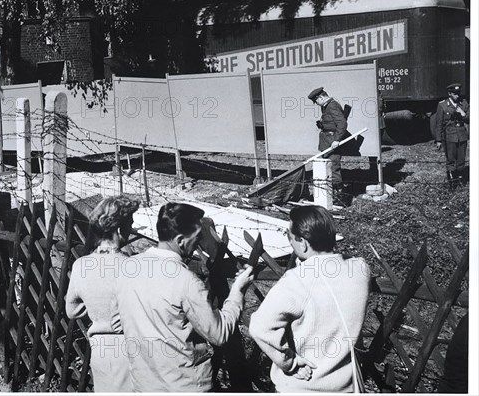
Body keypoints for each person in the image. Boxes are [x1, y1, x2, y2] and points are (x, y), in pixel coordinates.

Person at [110, 202, 254, 392]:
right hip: (184, 385)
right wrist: (237, 291)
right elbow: (218, 334)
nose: (197, 245)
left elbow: (117, 322)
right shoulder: (186, 281)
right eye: (196, 238)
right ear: (179, 240)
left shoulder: (128, 268)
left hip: (144, 383)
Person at [249, 205, 370, 393]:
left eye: (289, 237)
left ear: (303, 243)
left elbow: (259, 327)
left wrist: (290, 362)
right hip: (346, 386)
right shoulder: (360, 270)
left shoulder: (297, 281)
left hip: (305, 384)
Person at [65, 195, 140, 392]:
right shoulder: (133, 267)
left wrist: (97, 310)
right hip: (131, 349)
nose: (130, 230)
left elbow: (71, 311)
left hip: (100, 350)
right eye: (129, 224)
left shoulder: (81, 266)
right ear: (118, 229)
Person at [308, 87, 348, 192]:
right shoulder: (326, 106)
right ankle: (332, 192)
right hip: (327, 141)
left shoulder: (332, 106)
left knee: (333, 168)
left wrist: (337, 140)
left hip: (332, 142)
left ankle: (339, 194)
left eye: (316, 101)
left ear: (321, 97)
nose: (316, 104)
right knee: (328, 167)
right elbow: (331, 122)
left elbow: (342, 123)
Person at [435, 83, 469, 188]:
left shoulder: (463, 103)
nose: (457, 96)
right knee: (451, 160)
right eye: (455, 94)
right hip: (449, 137)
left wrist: (463, 113)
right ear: (449, 93)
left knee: (461, 160)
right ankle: (452, 184)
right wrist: (438, 140)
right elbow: (439, 124)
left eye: (458, 93)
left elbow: (470, 119)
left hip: (462, 136)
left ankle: (461, 182)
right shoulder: (442, 105)